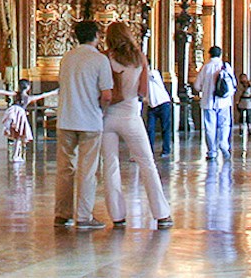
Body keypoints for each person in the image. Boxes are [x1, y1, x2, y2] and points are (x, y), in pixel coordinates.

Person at [98, 21, 174, 229]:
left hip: (108, 116)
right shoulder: (139, 57)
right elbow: (143, 91)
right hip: (131, 115)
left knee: (110, 166)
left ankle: (117, 216)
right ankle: (161, 214)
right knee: (147, 163)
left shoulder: (105, 57)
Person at [53, 20, 113, 229]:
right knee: (87, 170)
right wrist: (102, 110)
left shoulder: (67, 58)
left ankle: (62, 214)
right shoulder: (99, 59)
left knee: (64, 168)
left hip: (66, 119)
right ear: (96, 35)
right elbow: (106, 94)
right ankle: (84, 216)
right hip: (90, 121)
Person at [0, 78, 54, 162]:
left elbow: (5, 92)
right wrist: (53, 92)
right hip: (20, 114)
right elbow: (42, 95)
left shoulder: (16, 94)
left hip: (13, 111)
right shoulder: (28, 98)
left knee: (17, 136)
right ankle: (16, 155)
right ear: (28, 87)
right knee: (18, 137)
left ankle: (15, 153)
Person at [192, 45, 236, 161]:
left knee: (210, 127)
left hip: (208, 102)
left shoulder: (205, 67)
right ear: (220, 54)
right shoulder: (225, 66)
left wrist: (205, 88)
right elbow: (233, 84)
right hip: (224, 101)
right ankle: (223, 144)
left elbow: (197, 86)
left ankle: (212, 151)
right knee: (224, 124)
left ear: (209, 54)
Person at [143, 53, 175, 157]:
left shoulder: (154, 73)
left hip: (163, 104)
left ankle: (166, 150)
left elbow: (149, 75)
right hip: (152, 106)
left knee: (165, 128)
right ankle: (149, 150)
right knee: (150, 129)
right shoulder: (141, 76)